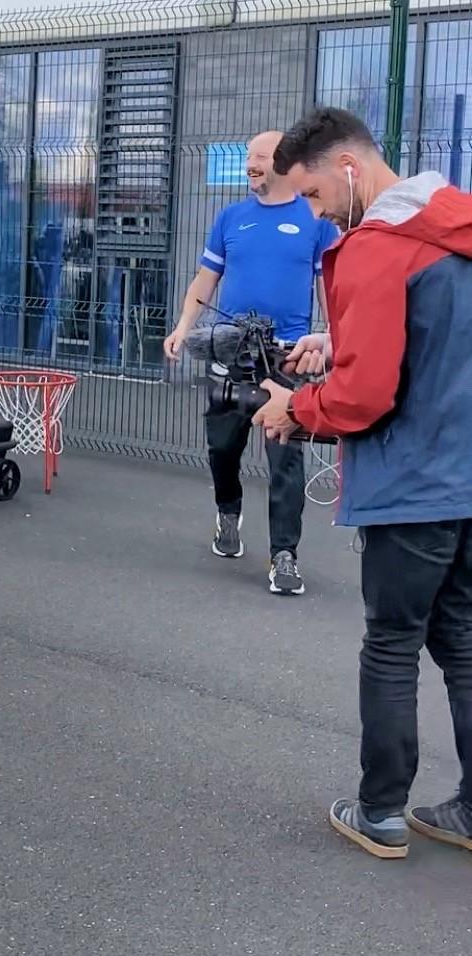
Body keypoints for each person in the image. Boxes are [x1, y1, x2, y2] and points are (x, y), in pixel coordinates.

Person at [258, 106, 472, 859]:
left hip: (411, 483)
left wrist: (296, 407)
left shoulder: (378, 249)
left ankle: (379, 811)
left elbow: (365, 397)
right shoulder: (454, 226)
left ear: (347, 170)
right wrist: (339, 339)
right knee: (464, 642)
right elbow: (437, 344)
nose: (315, 213)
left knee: (390, 644)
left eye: (313, 196)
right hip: (466, 474)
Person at [164, 130, 338, 595]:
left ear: (282, 161)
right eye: (248, 158)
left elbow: (329, 289)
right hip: (230, 350)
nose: (250, 165)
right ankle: (228, 511)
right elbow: (206, 278)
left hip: (287, 358)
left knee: (286, 459)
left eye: (258, 158)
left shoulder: (315, 218)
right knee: (223, 448)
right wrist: (184, 325)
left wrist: (338, 340)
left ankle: (285, 555)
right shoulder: (231, 218)